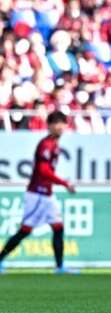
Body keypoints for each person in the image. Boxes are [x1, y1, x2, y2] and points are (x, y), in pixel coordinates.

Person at [0, 111, 78, 275]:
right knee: (25, 231)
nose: (59, 126)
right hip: (37, 194)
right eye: (55, 123)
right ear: (48, 125)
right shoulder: (46, 145)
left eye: (62, 122)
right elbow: (43, 171)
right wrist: (64, 183)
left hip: (47, 195)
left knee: (58, 228)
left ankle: (60, 267)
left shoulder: (54, 144)